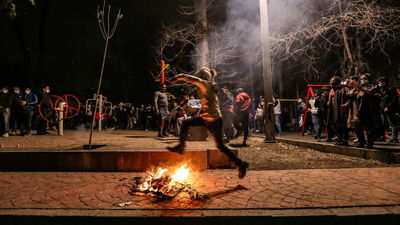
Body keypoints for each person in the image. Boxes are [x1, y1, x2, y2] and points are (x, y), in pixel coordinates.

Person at [166, 67, 249, 179]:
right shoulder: (209, 85)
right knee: (186, 123)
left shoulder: (205, 84)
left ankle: (241, 164)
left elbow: (191, 78)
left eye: (199, 77)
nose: (198, 79)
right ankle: (180, 147)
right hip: (207, 119)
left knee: (221, 146)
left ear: (202, 77)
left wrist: (177, 77)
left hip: (214, 120)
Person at [352, 73, 382, 148]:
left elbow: (370, 92)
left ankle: (370, 143)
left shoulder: (373, 86)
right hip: (360, 110)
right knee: (358, 127)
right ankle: (361, 142)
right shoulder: (359, 88)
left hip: (369, 110)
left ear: (369, 79)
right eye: (361, 79)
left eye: (365, 79)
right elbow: (350, 94)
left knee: (369, 128)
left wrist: (361, 89)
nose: (363, 80)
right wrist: (354, 90)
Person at [327, 76, 349, 146]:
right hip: (333, 108)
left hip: (341, 108)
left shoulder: (344, 89)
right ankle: (339, 139)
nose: (332, 82)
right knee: (335, 124)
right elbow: (330, 98)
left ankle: (344, 140)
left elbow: (348, 98)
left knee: (343, 125)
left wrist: (346, 104)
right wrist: (329, 102)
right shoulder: (332, 90)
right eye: (331, 81)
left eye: (333, 81)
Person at [377, 77, 399, 143]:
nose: (379, 84)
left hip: (389, 109)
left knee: (392, 123)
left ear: (384, 82)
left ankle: (394, 138)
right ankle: (382, 137)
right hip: (381, 109)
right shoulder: (381, 89)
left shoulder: (391, 89)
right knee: (383, 123)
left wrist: (388, 107)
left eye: (380, 82)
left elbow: (394, 99)